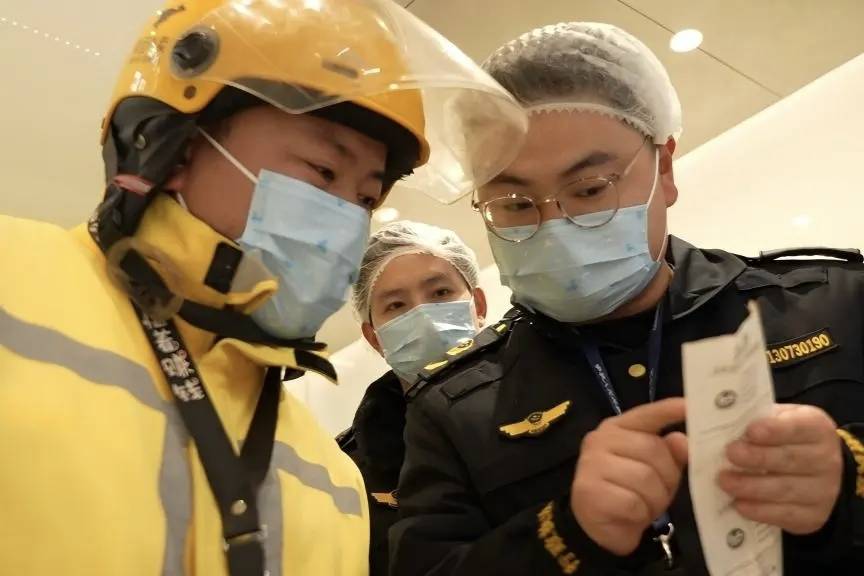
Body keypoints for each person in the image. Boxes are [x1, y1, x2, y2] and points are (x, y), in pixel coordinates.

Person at [0, 1, 527, 574]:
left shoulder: (332, 480)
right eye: (322, 172)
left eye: (365, 199)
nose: (345, 222)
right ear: (169, 146)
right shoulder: (14, 280)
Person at [390, 21, 864, 576]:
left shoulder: (835, 305)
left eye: (591, 189)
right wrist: (564, 535)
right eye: (514, 204)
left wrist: (850, 477)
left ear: (665, 168)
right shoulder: (451, 411)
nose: (555, 226)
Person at [338, 220, 487, 576]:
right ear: (374, 338)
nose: (422, 315)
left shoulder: (545, 389)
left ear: (478, 305)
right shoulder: (351, 472)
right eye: (396, 305)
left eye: (440, 293)